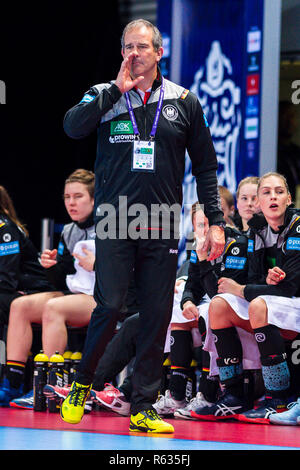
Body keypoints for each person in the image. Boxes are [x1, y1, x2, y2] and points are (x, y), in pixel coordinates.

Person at [61, 18, 225, 433]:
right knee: (112, 304)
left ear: (158, 52)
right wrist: (118, 89)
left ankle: (143, 406)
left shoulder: (183, 100)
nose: (133, 54)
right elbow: (72, 126)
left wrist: (215, 220)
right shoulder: (103, 94)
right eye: (127, 47)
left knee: (155, 315)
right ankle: (83, 382)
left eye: (142, 47)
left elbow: (206, 165)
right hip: (115, 220)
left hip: (163, 221)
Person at [191, 172, 300, 423]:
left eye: (279, 192)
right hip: (279, 299)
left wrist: (241, 289)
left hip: (292, 299)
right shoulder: (257, 229)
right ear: (259, 203)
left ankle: (278, 399)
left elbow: (291, 287)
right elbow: (254, 277)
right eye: (266, 192)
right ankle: (234, 395)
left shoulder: (297, 225)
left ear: (288, 199)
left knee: (258, 304)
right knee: (219, 305)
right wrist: (266, 280)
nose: (273, 196)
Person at [154, 179, 260, 419]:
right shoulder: (199, 245)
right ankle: (177, 396)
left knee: (209, 310)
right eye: (198, 225)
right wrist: (187, 301)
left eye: (207, 223)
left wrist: (202, 261)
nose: (203, 230)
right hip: (213, 304)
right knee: (179, 314)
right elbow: (192, 284)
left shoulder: (237, 244)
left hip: (236, 305)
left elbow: (218, 292)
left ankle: (208, 394)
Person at [0, 169, 97, 407]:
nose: (71, 203)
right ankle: (12, 383)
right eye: (67, 197)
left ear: (94, 199)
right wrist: (51, 266)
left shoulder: (111, 229)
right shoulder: (69, 231)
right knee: (20, 305)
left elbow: (131, 270)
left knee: (54, 307)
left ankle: (52, 387)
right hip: (74, 295)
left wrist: (99, 264)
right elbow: (61, 280)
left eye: (78, 197)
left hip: (103, 297)